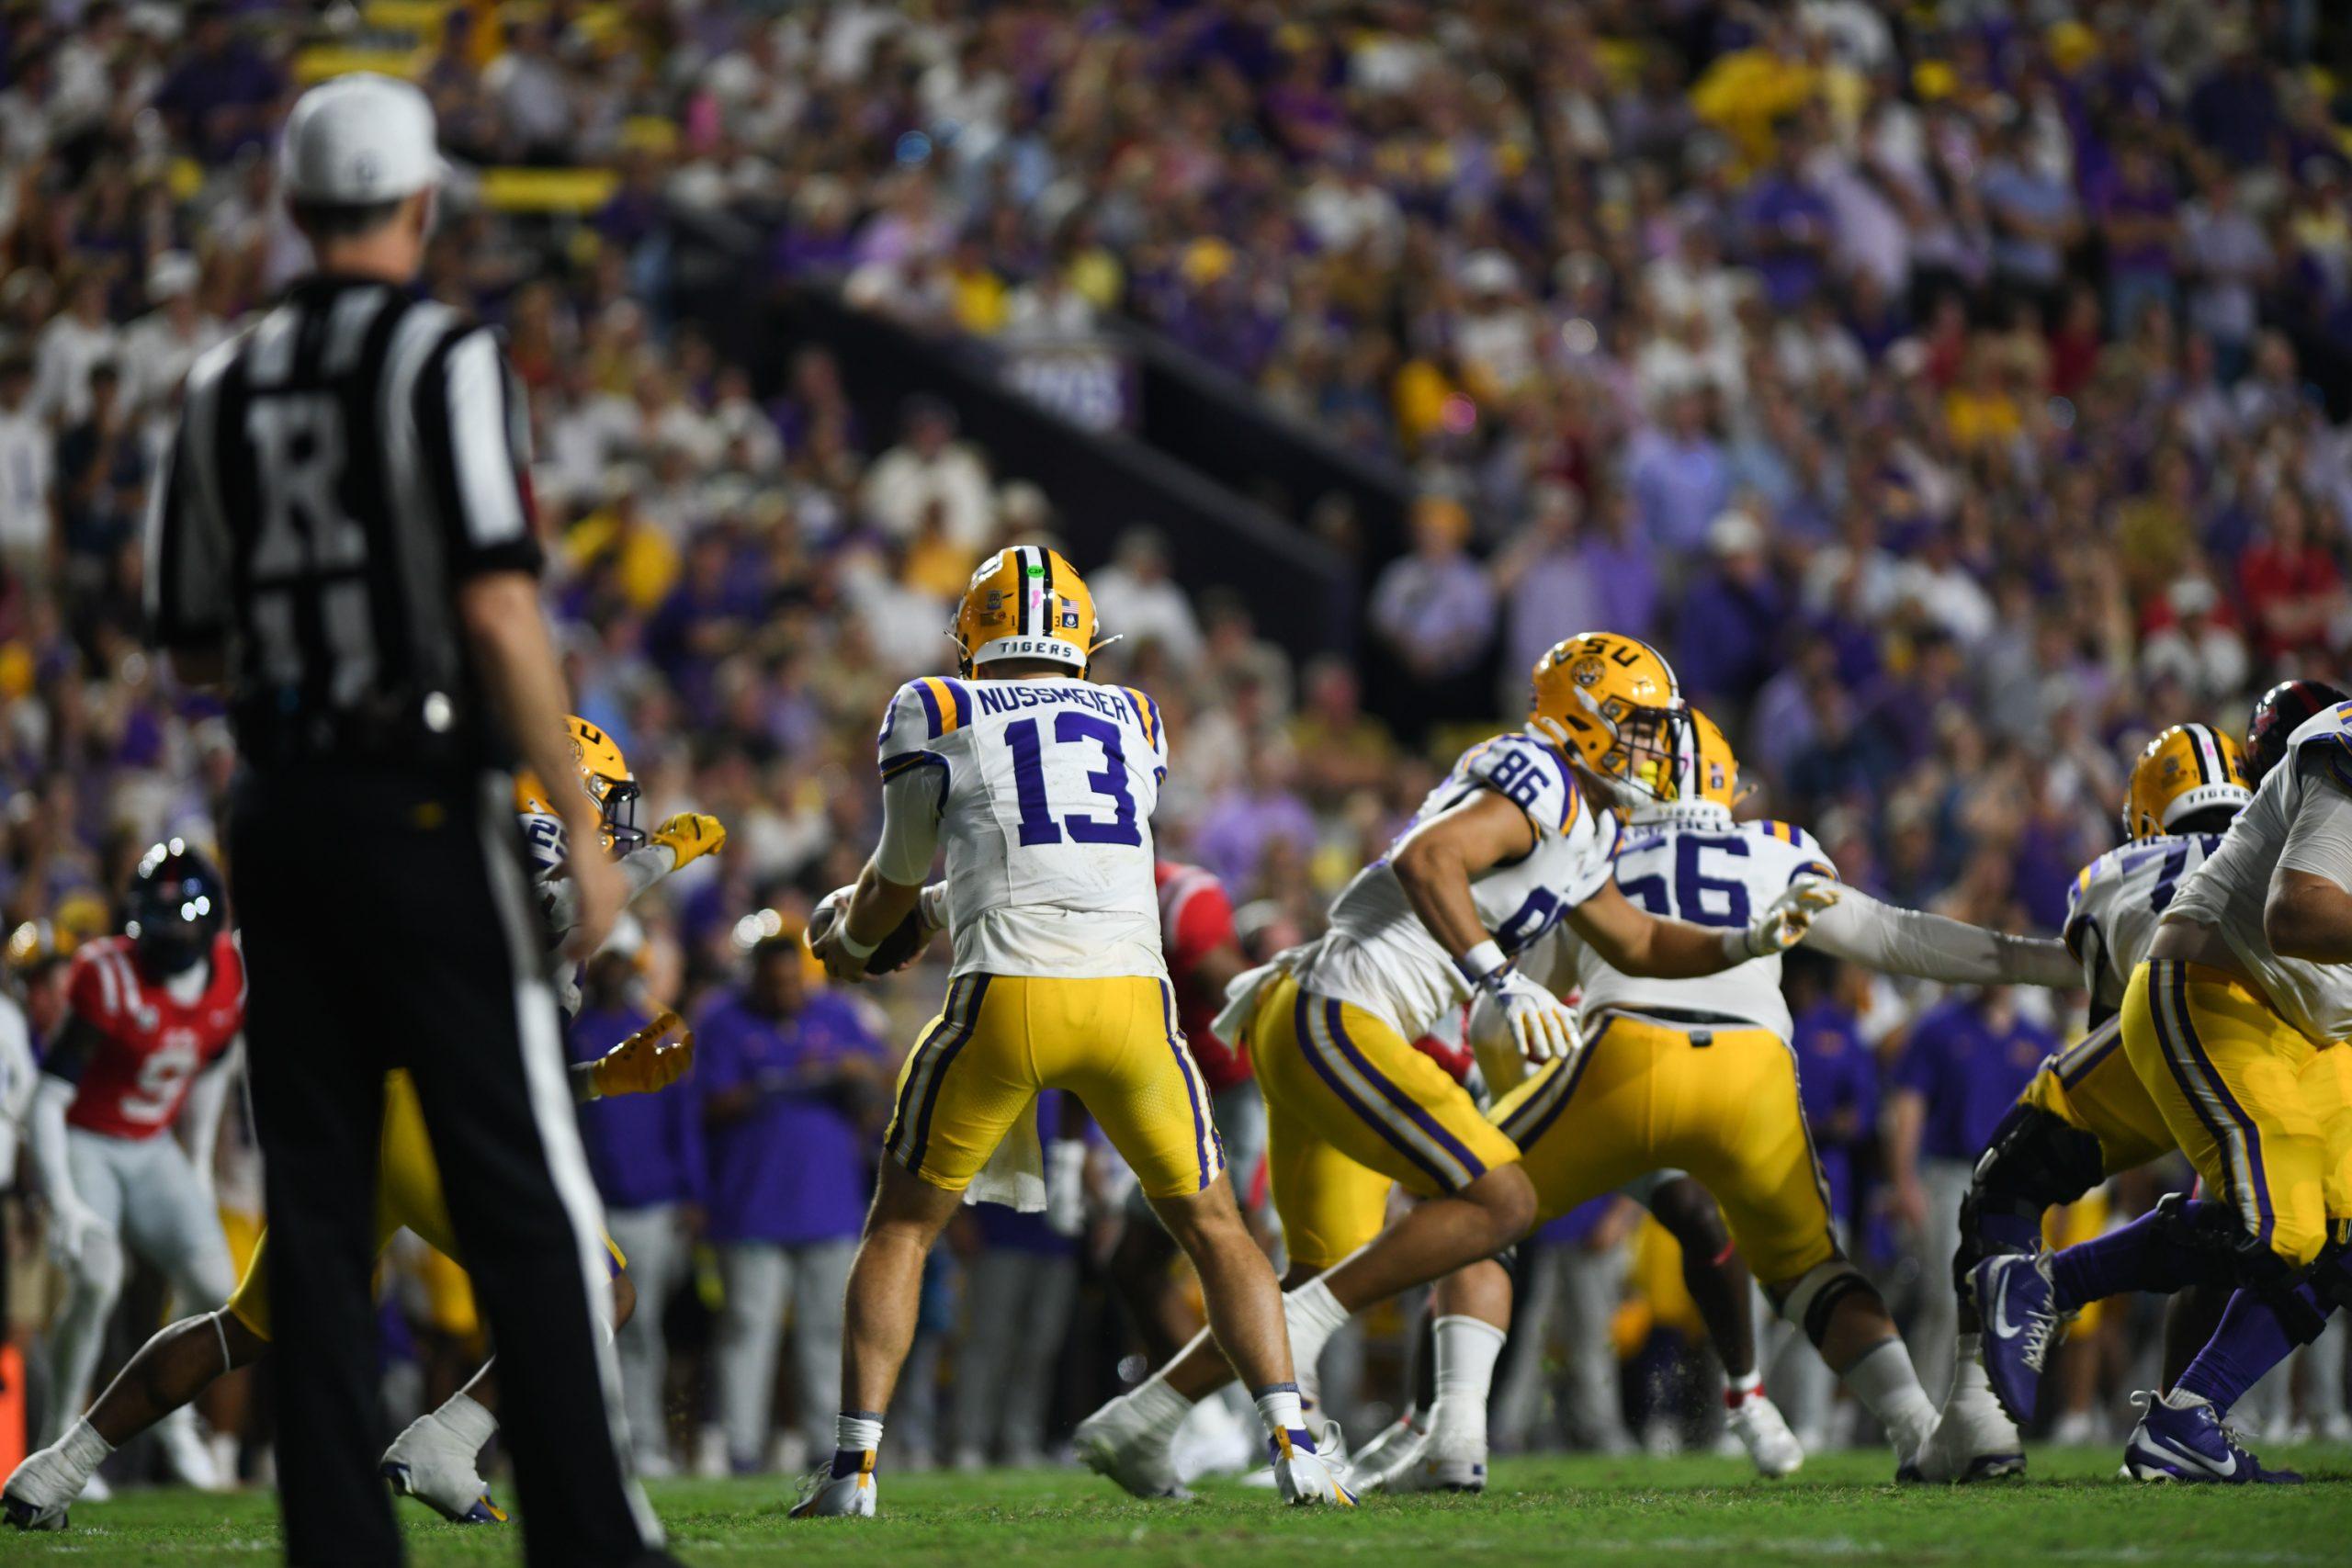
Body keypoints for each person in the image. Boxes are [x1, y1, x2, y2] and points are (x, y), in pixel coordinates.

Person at [133, 73, 671, 1566]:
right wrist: (584, 818)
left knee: (315, 1208)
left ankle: (340, 1547)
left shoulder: (218, 382)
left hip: (280, 810)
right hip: (426, 798)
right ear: (421, 206)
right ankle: (589, 1540)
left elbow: (186, 646)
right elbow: (499, 599)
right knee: (530, 1190)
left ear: (295, 210)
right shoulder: (445, 356)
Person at [1075, 637, 1836, 1495]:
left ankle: (1145, 1419)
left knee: (1351, 1254)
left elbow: (1641, 939)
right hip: (1343, 1009)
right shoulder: (1539, 773)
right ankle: (1366, 1375)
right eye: (1638, 727)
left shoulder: (1587, 823)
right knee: (1500, 1198)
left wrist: (1748, 938)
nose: (1653, 749)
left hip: (1334, 1020)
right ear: (1585, 719)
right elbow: (1426, 857)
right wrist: (1500, 981)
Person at [3, 726, 718, 1533]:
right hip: (420, 1101)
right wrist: (656, 859)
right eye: (609, 801)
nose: (617, 823)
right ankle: (446, 1442)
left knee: (245, 1325)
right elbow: (552, 910)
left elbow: (509, 1064)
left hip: (370, 1111)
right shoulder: (508, 847)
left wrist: (602, 1078)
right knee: (594, 1288)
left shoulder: (474, 849)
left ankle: (54, 1469)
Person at [1341, 708, 2078, 1491]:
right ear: (1723, 784)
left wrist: (1502, 1090)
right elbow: (1900, 938)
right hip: (1750, 1069)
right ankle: (1916, 1429)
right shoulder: (1780, 849)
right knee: (1811, 1271)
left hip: (1622, 1060)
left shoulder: (1594, 847)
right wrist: (2047, 963)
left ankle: (1456, 1437)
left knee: (1473, 1213)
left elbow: (1519, 1004)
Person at [800, 545, 1352, 1516]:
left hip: (1009, 995)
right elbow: (1048, 852)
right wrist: (927, 912)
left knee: (901, 1226)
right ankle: (1296, 1445)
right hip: (1133, 1004)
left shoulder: (934, 707)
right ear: (1080, 641)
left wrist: (849, 942)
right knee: (1216, 1227)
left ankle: (854, 1472)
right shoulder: (1137, 716)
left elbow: (895, 878)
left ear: (973, 633)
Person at [1974, 680, 2352, 1483]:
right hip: (2221, 989)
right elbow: (2299, 915)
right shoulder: (2341, 742)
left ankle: (2188, 1419)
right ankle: (2047, 1283)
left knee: (2346, 1229)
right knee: (2282, 1227)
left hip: (2319, 1035)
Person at [1924, 721, 2254, 1482]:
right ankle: (2187, 1414)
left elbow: (2110, 1034)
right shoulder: (2299, 847)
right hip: (2303, 1060)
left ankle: (1986, 1417)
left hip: (2169, 1032)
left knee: (2006, 1179)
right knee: (2275, 1235)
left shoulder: (2116, 869)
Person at [23, 844, 243, 1498]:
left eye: (187, 914)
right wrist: (62, 1198)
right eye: (162, 914)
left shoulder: (231, 971)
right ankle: (60, 1440)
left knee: (216, 1283)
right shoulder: (106, 974)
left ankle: (173, 1421)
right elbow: (49, 1098)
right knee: (98, 1278)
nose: (174, 929)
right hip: (89, 1139)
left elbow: (211, 1071)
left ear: (212, 922)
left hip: (151, 1146)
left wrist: (198, 1164)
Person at [696, 928, 886, 1475]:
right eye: (773, 982)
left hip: (828, 1204)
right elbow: (712, 1102)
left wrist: (857, 1077)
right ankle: (740, 1448)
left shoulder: (837, 1015)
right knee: (747, 1329)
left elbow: (880, 1077)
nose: (784, 992)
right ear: (754, 978)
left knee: (826, 1333)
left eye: (792, 981)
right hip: (750, 1203)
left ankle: (826, 1451)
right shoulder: (724, 1020)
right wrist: (801, 1080)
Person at [570, 925, 706, 1478]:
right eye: (605, 958)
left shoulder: (657, 1026)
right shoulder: (571, 1029)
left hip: (650, 1202)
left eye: (620, 957)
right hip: (587, 1200)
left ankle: (645, 1443)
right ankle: (596, 1444)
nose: (613, 968)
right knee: (586, 1330)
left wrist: (691, 1192)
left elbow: (684, 1119)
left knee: (640, 1328)